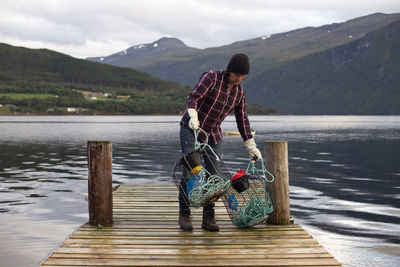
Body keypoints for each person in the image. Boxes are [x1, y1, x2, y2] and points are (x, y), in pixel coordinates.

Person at [178, 53, 262, 231]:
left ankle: (208, 218)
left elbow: (242, 119)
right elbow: (193, 97)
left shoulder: (239, 93)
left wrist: (250, 144)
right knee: (191, 172)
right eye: (237, 74)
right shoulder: (211, 78)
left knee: (215, 177)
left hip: (213, 135)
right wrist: (193, 114)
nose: (239, 78)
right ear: (229, 70)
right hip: (191, 128)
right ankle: (184, 214)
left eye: (243, 75)